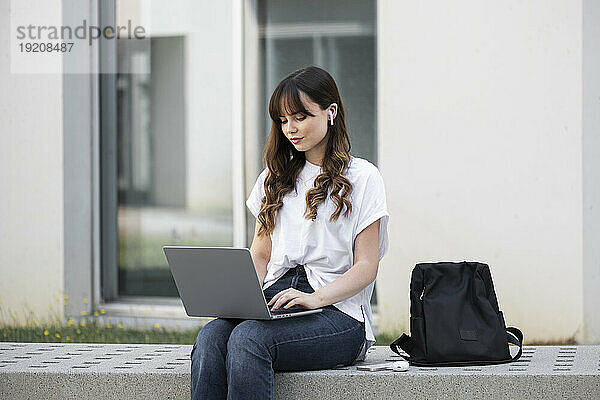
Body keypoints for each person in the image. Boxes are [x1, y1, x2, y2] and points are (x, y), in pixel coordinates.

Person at [190, 65, 390, 399]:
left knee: (249, 339)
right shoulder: (275, 176)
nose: (290, 129)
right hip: (277, 299)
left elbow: (367, 266)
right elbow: (262, 253)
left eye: (299, 117)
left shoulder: (364, 178)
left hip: (337, 313)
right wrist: (239, 298)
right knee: (210, 337)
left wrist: (314, 299)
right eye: (282, 121)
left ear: (331, 112)